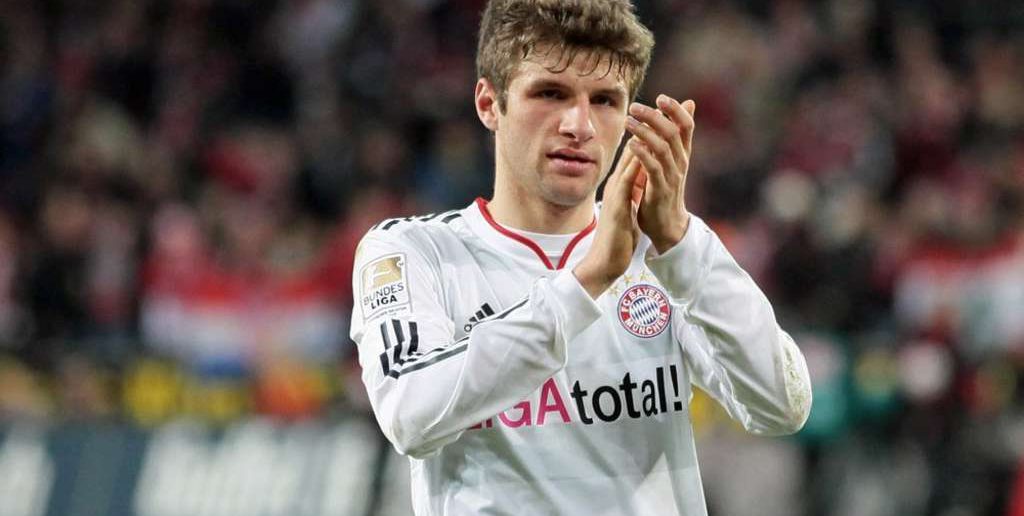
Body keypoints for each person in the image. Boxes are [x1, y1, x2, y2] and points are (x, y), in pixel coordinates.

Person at [350, 1, 812, 514]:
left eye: (606, 101)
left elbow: (782, 406)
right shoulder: (415, 252)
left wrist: (681, 243)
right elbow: (410, 413)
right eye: (550, 93)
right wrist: (589, 279)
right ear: (489, 103)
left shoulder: (668, 254)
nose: (580, 125)